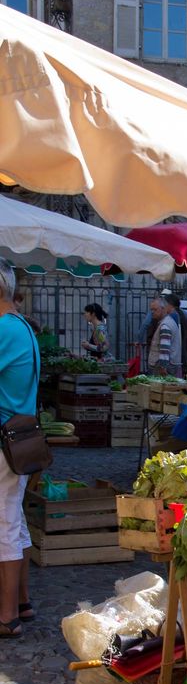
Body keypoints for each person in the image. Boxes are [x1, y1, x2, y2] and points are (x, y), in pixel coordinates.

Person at [0, 258, 39, 638]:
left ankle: (6, 614)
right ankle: (22, 603)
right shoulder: (20, 325)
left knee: (5, 524)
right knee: (14, 520)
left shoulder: (5, 329)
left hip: (5, 440)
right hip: (18, 438)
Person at [147, 297, 182, 376]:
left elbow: (164, 348)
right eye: (151, 310)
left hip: (163, 367)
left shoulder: (165, 325)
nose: (152, 312)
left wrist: (163, 366)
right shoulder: (167, 322)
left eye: (155, 309)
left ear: (163, 309)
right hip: (170, 364)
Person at [164, 293, 187, 372]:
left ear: (170, 304)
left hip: (176, 358)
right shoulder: (182, 315)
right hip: (182, 355)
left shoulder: (175, 317)